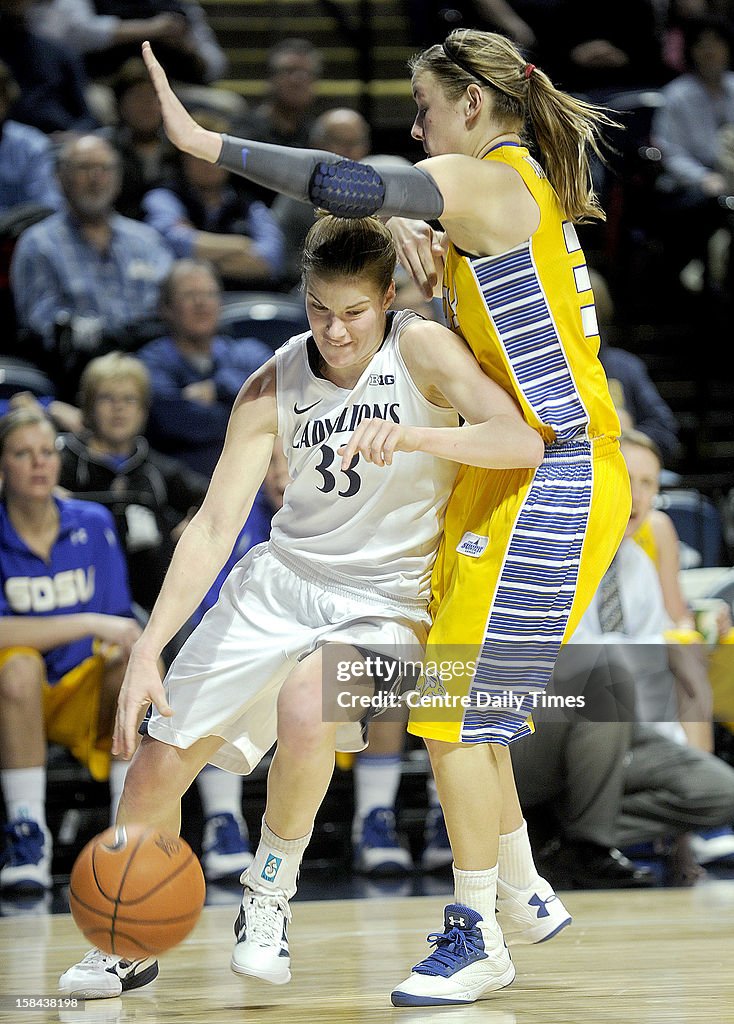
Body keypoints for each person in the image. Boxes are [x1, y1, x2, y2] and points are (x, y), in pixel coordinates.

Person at [138, 28, 632, 1005]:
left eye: (422, 109)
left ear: (472, 108)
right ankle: (519, 887)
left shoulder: (493, 180)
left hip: (557, 471)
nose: (413, 127)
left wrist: (207, 144)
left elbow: (348, 186)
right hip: (507, 471)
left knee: (450, 709)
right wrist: (431, 241)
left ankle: (476, 929)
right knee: (457, 698)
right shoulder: (487, 197)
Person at [58, 213, 545, 999]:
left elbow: (520, 441)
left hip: (390, 603)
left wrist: (421, 440)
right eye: (319, 308)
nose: (336, 329)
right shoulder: (275, 378)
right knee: (156, 763)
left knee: (308, 703)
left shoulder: (419, 347)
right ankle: (126, 943)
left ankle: (268, 895)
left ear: (387, 297)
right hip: (281, 583)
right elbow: (215, 524)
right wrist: (150, 648)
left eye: (354, 312)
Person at [0, 407, 141, 891]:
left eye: (47, 452)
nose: (39, 464)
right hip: (16, 699)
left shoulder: (92, 522)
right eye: (23, 454)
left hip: (81, 688)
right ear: (2, 468)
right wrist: (83, 621)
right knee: (17, 666)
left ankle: (128, 833)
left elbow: (119, 624)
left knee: (134, 662)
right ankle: (26, 832)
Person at [10, 134, 173, 399]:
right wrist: (123, 336)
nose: (96, 178)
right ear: (60, 178)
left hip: (152, 374)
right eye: (84, 168)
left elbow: (171, 310)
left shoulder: (147, 241)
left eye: (105, 169)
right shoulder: (38, 244)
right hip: (78, 379)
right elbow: (47, 328)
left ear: (118, 178)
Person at [137, 259, 272, 476]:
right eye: (189, 295)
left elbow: (276, 405)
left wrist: (218, 389)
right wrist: (244, 411)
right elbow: (175, 423)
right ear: (166, 308)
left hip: (254, 484)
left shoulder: (249, 353)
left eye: (209, 294)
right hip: (181, 485)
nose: (201, 303)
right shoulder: (150, 362)